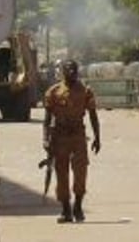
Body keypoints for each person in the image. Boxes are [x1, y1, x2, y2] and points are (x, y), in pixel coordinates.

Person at [42, 58, 101, 224]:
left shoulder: (86, 91)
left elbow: (93, 115)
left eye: (74, 69)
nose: (71, 72)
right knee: (62, 173)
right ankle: (66, 209)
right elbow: (47, 119)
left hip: (78, 135)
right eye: (68, 69)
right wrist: (45, 139)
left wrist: (97, 137)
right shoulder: (53, 92)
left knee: (81, 171)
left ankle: (78, 206)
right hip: (59, 136)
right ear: (62, 71)